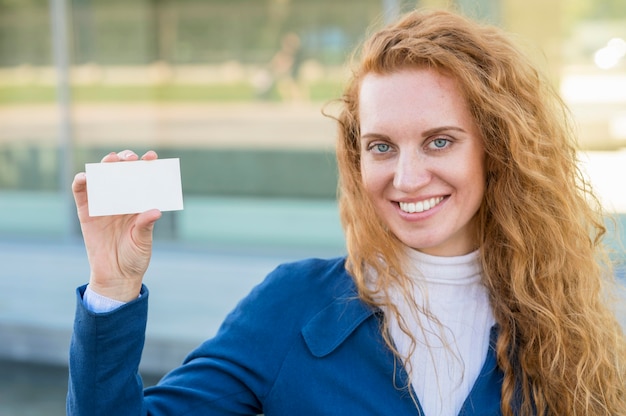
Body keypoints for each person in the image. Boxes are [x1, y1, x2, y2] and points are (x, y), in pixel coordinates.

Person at [67, 8, 626, 416]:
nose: (405, 179)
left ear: (496, 148)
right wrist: (111, 289)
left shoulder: (563, 323)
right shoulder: (292, 307)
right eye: (382, 146)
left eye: (439, 142)